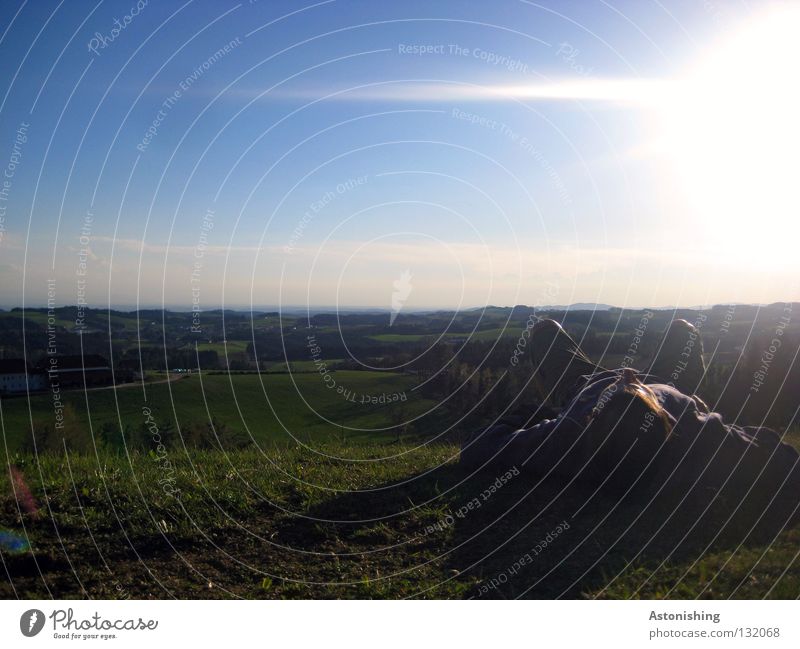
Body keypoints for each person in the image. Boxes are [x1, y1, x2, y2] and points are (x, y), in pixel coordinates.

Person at [461, 318, 800, 502]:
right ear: (664, 418)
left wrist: (533, 416)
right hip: (669, 381)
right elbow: (778, 456)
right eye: (635, 391)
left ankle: (560, 362)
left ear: (591, 420)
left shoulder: (569, 437)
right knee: (684, 329)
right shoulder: (693, 431)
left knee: (546, 331)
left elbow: (477, 447)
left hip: (581, 383)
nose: (628, 379)